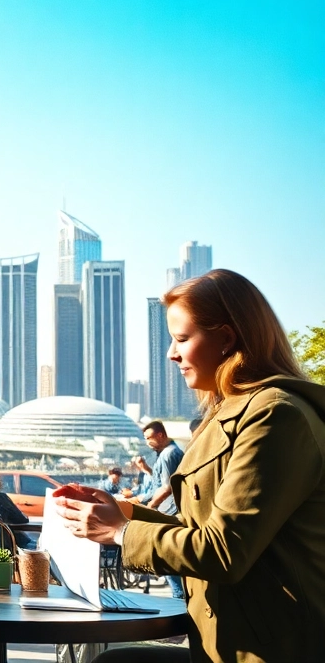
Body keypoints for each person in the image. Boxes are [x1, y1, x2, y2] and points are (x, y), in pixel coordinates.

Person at [54, 269, 325, 663]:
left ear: (227, 338)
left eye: (182, 339)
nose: (171, 353)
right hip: (221, 641)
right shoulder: (229, 412)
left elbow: (224, 549)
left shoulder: (275, 417)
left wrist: (120, 532)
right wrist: (123, 512)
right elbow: (201, 530)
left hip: (271, 649)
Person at [133, 420, 186, 599]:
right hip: (174, 508)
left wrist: (151, 506)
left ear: (161, 435)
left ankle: (179, 598)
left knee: (167, 557)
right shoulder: (174, 451)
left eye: (150, 438)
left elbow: (166, 487)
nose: (148, 442)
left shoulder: (167, 455)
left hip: (168, 510)